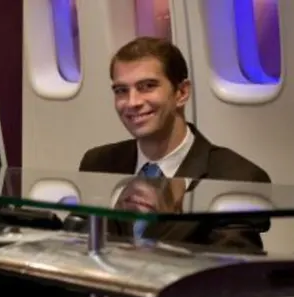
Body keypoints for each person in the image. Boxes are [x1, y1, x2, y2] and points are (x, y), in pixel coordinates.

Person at [78, 36, 271, 251]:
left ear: (182, 93)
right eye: (121, 90)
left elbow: (230, 264)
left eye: (147, 86)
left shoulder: (237, 177)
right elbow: (74, 242)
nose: (132, 102)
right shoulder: (98, 162)